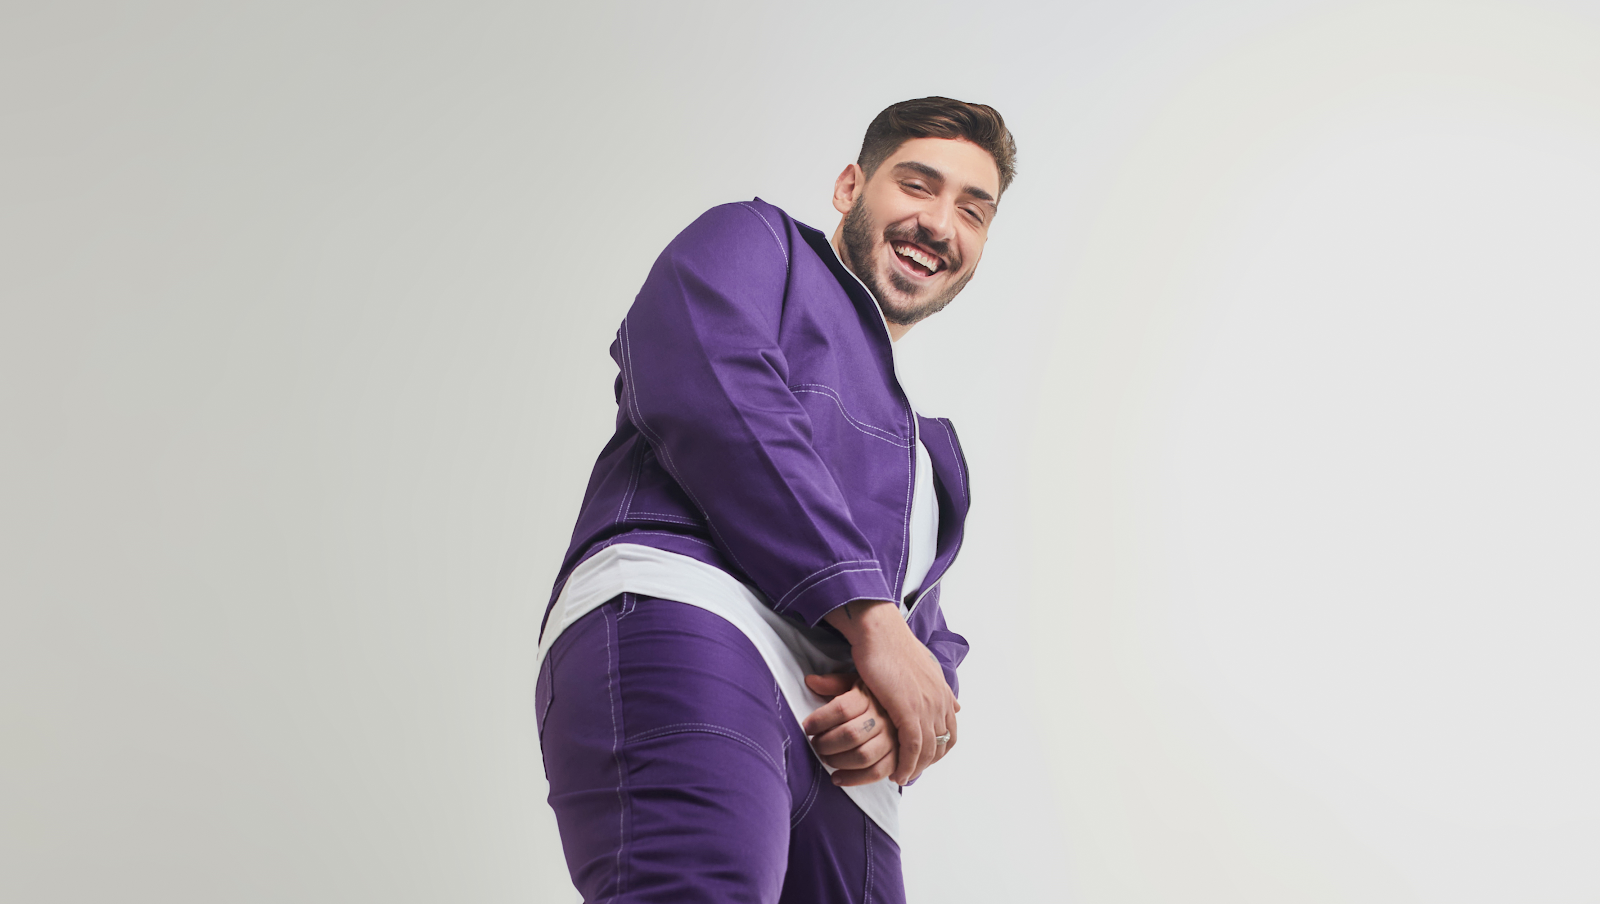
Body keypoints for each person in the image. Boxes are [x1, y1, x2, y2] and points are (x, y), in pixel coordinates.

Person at [536, 96, 1017, 903]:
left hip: (846, 773)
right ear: (849, 188)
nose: (940, 223)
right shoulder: (755, 243)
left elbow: (926, 648)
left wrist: (897, 716)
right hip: (698, 624)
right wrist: (871, 617)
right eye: (917, 185)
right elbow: (714, 386)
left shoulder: (924, 457)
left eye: (973, 210)